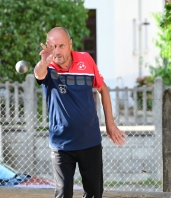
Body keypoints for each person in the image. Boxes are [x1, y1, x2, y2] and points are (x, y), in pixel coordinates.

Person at [34, 27, 127, 198]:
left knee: (94, 193)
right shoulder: (48, 67)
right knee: (63, 193)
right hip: (62, 144)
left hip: (89, 141)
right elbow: (38, 74)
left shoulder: (86, 59)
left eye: (61, 46)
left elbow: (102, 88)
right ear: (47, 46)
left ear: (70, 44)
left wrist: (110, 123)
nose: (57, 51)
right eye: (53, 46)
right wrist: (43, 62)